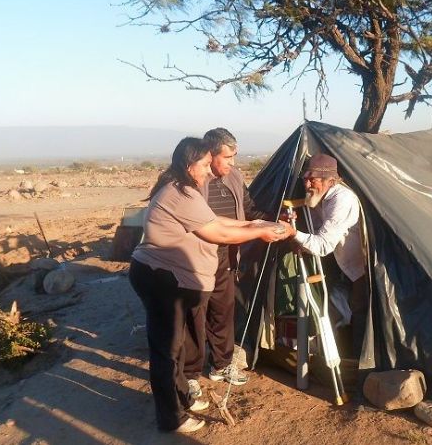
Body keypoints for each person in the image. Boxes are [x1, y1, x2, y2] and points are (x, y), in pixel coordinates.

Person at [128, 137, 290, 433]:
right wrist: (259, 234)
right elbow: (218, 233)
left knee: (174, 345)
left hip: (167, 277)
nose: (207, 171)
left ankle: (181, 399)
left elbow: (216, 220)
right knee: (166, 350)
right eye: (204, 164)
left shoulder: (185, 190)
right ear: (190, 165)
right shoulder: (179, 194)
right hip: (160, 278)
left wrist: (256, 225)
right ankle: (171, 417)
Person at [183, 128, 271, 398]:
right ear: (211, 155)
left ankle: (221, 364)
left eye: (235, 156)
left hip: (225, 256)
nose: (233, 163)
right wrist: (257, 230)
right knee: (194, 315)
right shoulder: (194, 181)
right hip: (195, 257)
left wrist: (271, 221)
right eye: (228, 157)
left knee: (223, 310)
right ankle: (188, 375)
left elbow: (249, 209)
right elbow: (212, 228)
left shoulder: (234, 177)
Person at [285, 154, 368, 361]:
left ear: (330, 181)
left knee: (360, 311)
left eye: (313, 180)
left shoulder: (342, 200)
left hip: (360, 269)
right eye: (306, 179)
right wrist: (301, 240)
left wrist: (293, 234)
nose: (307, 184)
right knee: (341, 306)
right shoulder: (319, 198)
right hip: (343, 266)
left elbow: (322, 245)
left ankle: (358, 364)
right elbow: (316, 233)